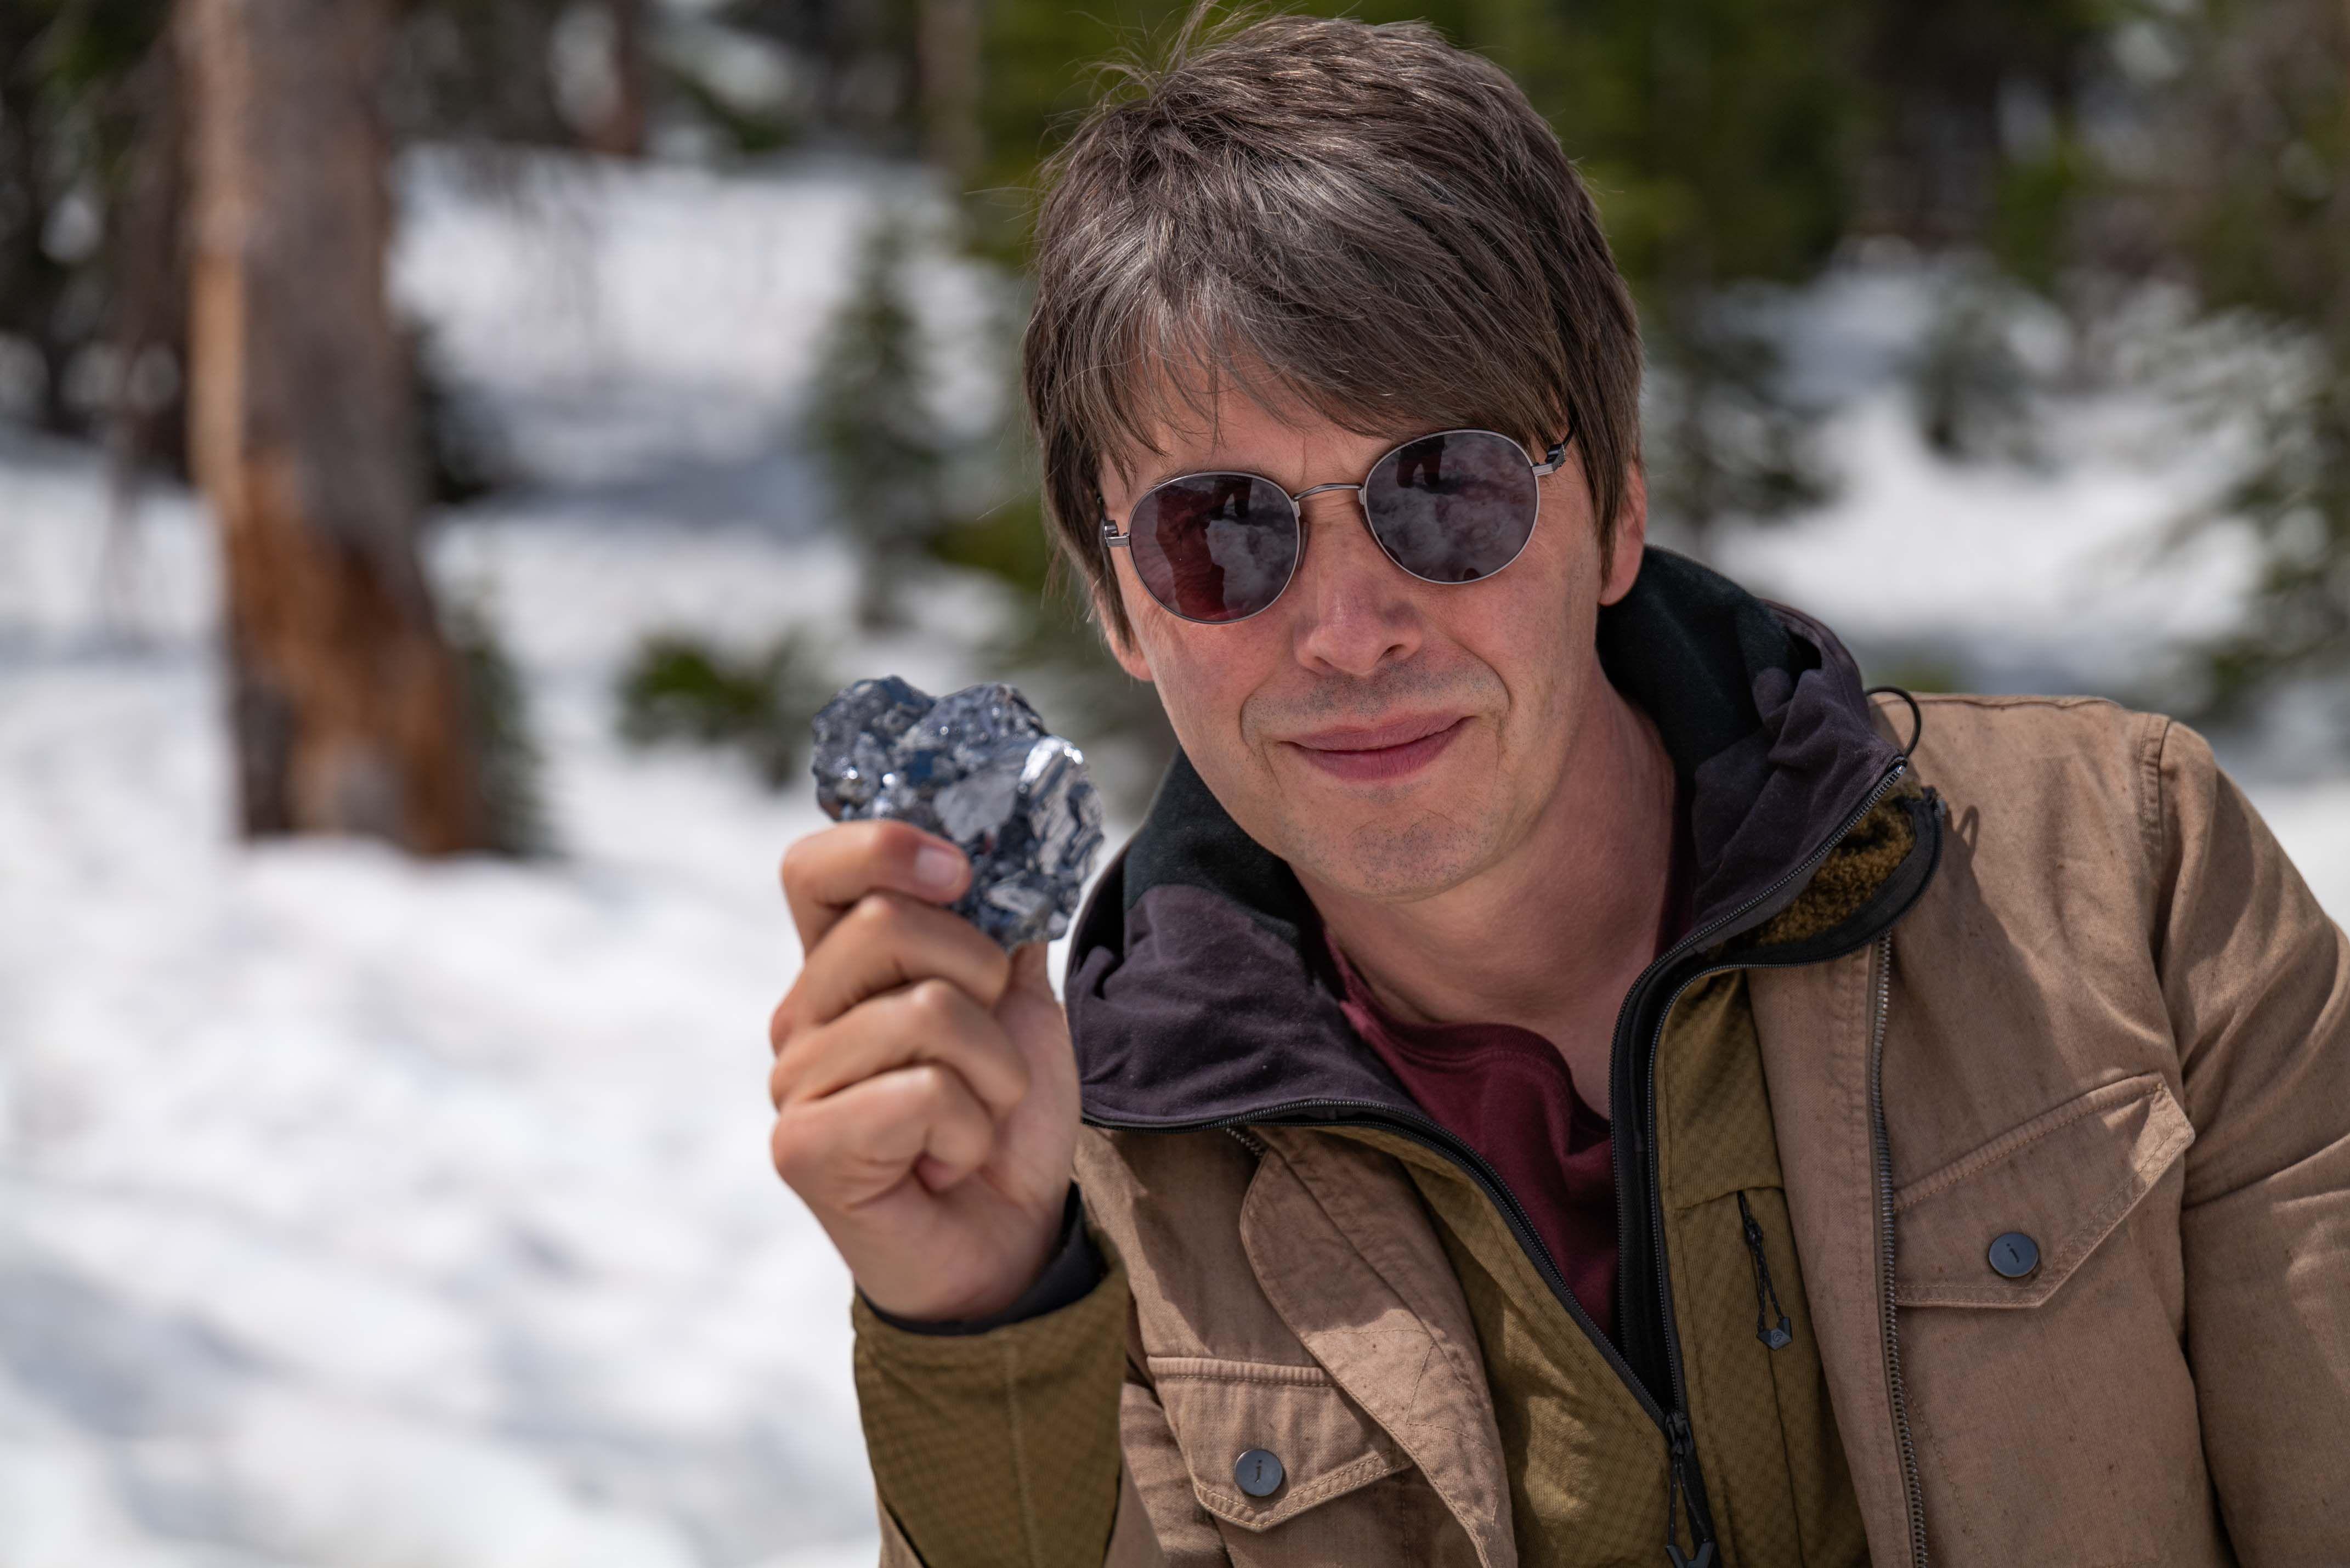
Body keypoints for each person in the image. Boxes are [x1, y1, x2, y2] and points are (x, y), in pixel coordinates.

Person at [766, 11, 2350, 1566]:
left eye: (1444, 490)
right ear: (1121, 604)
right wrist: (983, 1325)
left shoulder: (2123, 874)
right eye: (1220, 530)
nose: (1349, 628)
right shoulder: (1086, 1196)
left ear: (1615, 507)